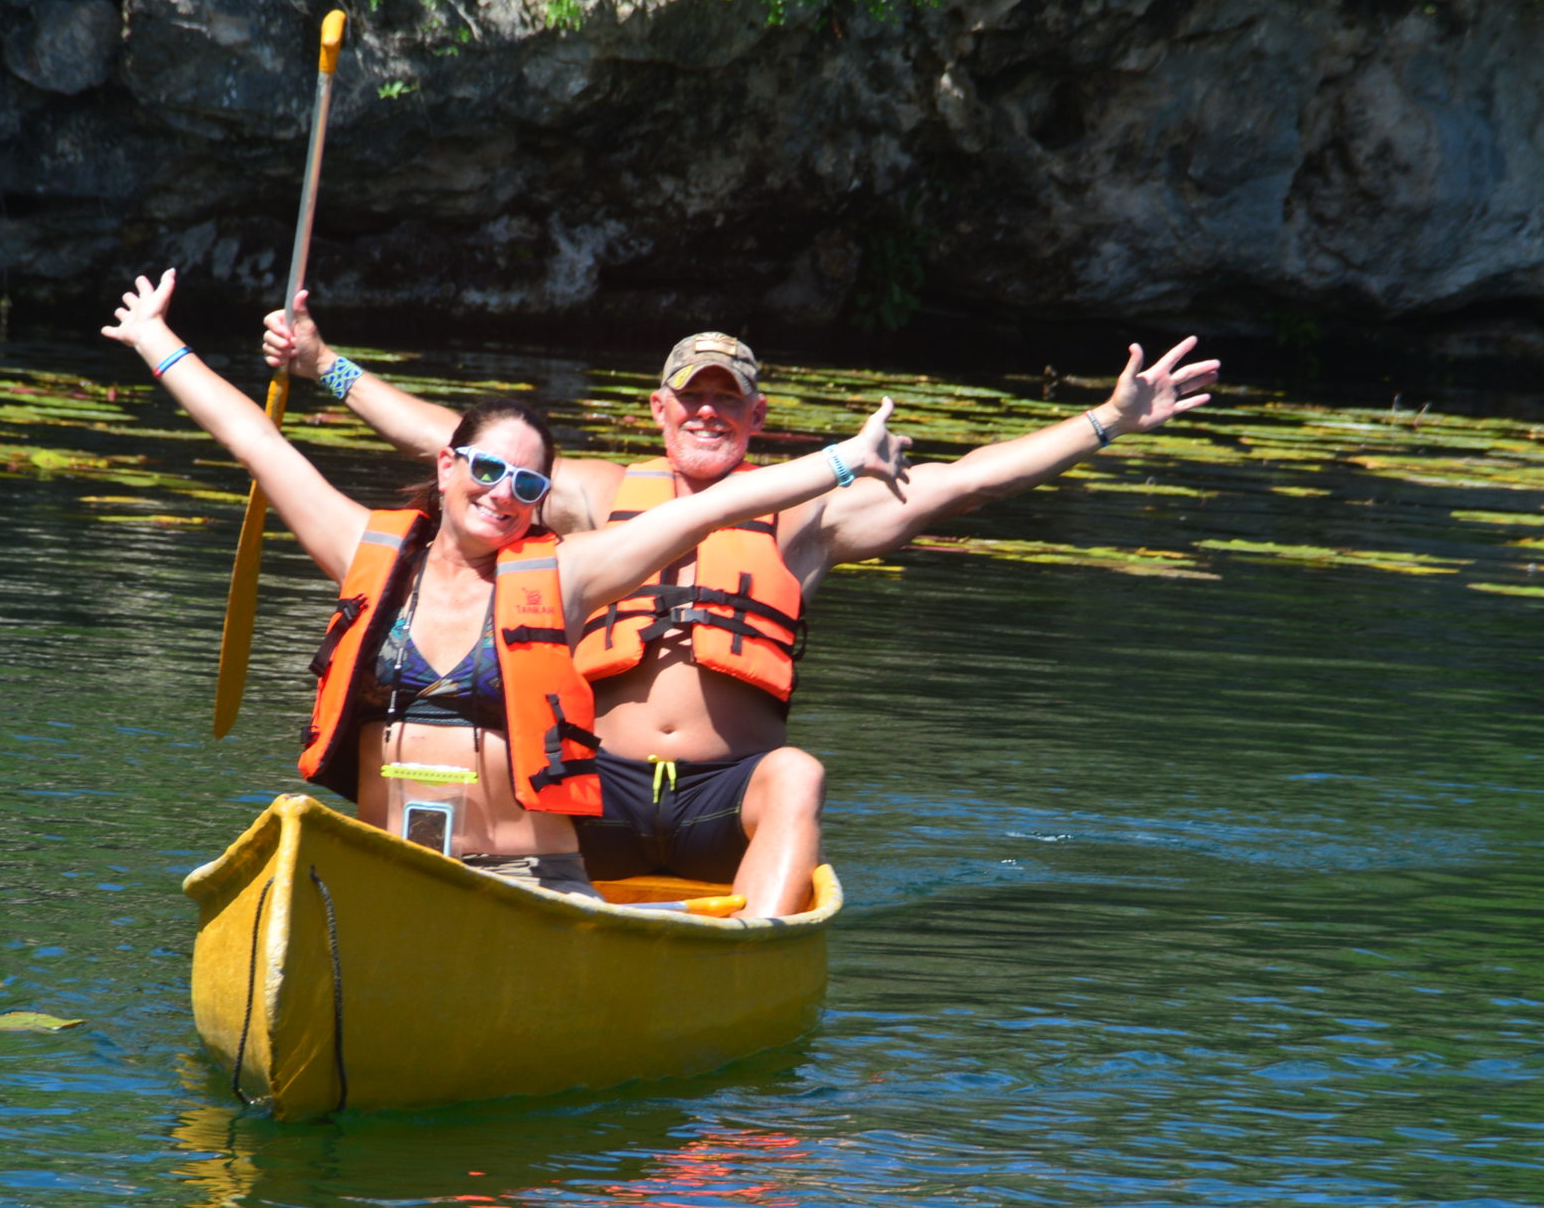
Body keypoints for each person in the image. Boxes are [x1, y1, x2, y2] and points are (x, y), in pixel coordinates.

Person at [266, 297, 1219, 916]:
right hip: (595, 788)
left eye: (731, 401)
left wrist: (1107, 421)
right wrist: (324, 365)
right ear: (660, 409)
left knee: (798, 773)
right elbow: (453, 443)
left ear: (758, 419)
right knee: (491, 759)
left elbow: (962, 483)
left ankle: (749, 954)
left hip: (729, 794)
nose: (710, 413)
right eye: (694, 399)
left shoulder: (804, 515)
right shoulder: (595, 495)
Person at [105, 269, 910, 898]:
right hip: (398, 867)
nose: (503, 494)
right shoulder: (367, 550)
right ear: (447, 467)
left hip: (533, 882)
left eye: (529, 487)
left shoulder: (564, 575)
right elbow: (254, 439)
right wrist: (154, 340)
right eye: (488, 471)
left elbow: (728, 500)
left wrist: (845, 460)